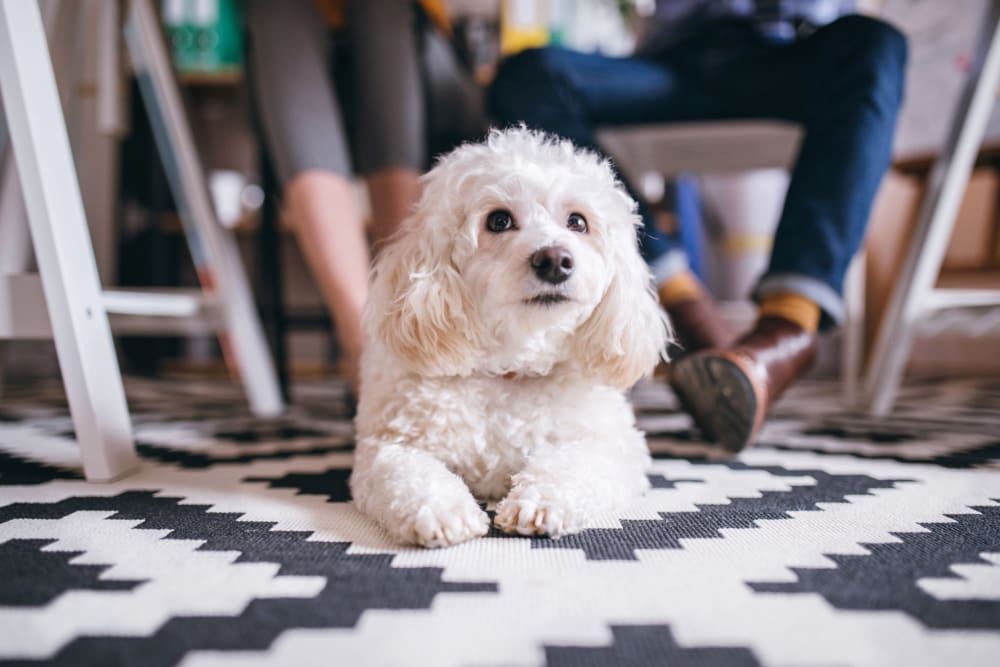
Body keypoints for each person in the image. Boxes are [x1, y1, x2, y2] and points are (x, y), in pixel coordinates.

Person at [488, 0, 907, 451]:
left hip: (795, 52)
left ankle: (786, 334)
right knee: (528, 75)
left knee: (876, 44)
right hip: (674, 63)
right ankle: (685, 309)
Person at [245, 0, 485, 388]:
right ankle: (362, 340)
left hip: (422, 64)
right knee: (277, 11)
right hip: (297, 59)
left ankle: (408, 319)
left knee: (383, 12)